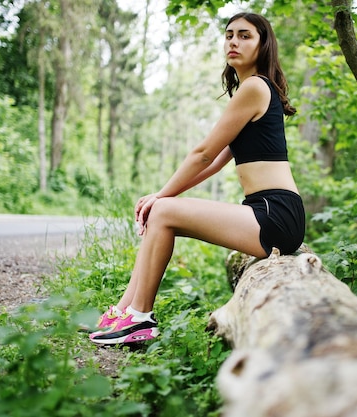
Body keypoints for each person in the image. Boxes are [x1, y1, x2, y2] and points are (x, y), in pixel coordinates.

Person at [89, 12, 305, 345]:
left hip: (275, 214)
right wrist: (163, 199)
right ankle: (124, 311)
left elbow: (202, 153)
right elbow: (214, 164)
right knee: (162, 211)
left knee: (162, 210)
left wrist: (159, 196)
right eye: (229, 35)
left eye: (245, 36)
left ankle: (140, 320)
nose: (233, 41)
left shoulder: (254, 88)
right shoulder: (251, 92)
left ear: (263, 45)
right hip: (269, 212)